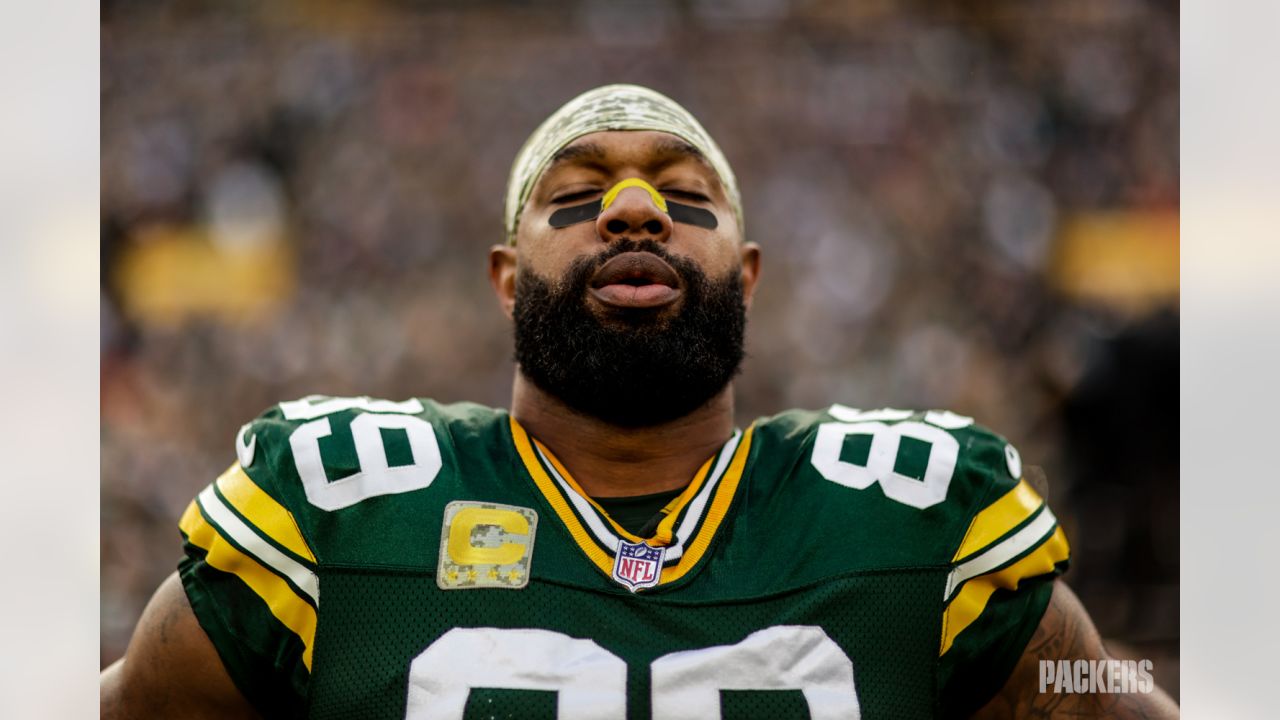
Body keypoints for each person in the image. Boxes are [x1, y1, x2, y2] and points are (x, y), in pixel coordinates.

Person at [100, 84, 1178, 719]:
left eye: (683, 197)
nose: (630, 212)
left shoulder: (908, 518)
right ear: (505, 275)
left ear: (745, 275)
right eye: (575, 197)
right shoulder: (336, 506)